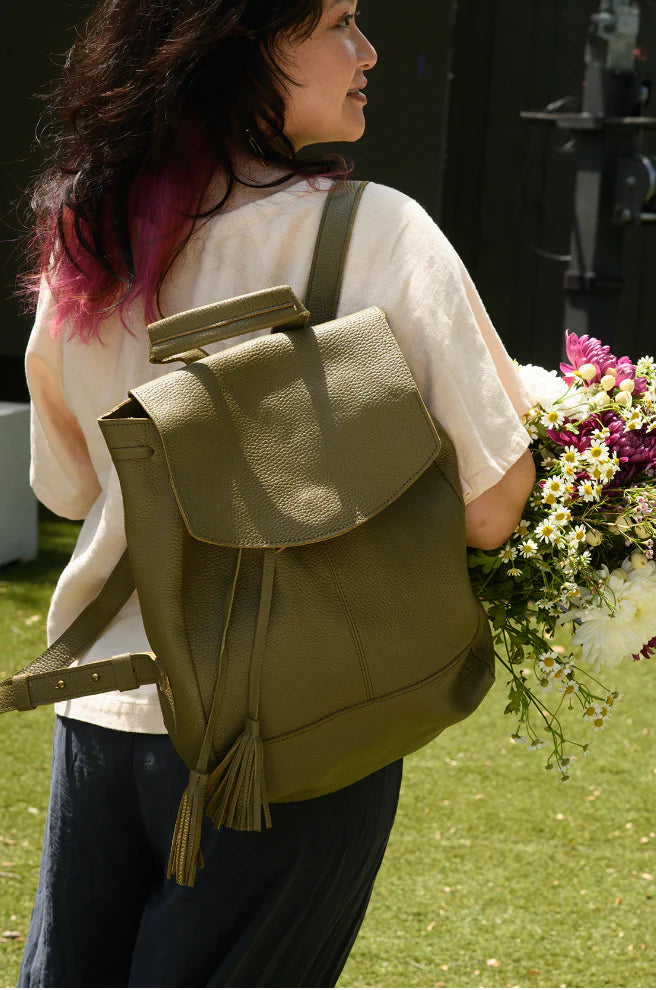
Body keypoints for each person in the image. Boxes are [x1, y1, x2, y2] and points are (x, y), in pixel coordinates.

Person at [18, 0, 536, 986]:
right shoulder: (377, 234)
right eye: (337, 21)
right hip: (295, 734)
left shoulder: (93, 234)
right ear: (236, 51)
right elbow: (487, 505)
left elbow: (68, 485)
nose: (367, 50)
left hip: (106, 713)